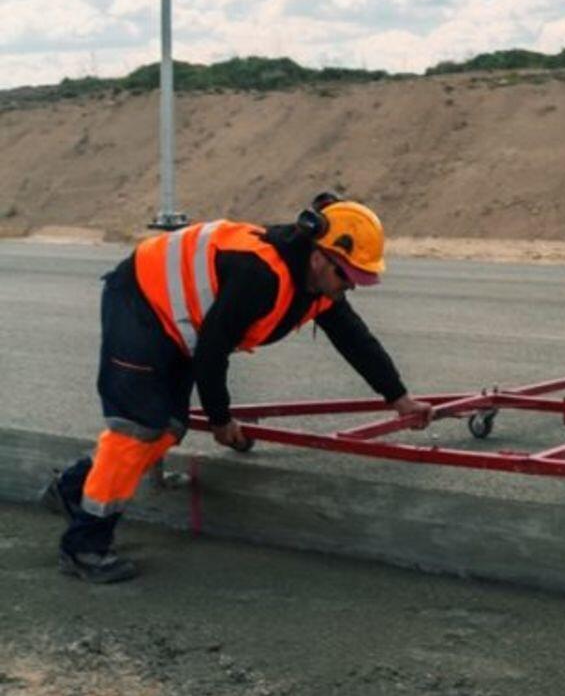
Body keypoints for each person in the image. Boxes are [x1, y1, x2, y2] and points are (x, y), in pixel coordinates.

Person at [44, 195, 425, 584]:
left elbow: (355, 340)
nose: (351, 286)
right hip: (139, 305)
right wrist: (221, 420)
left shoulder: (318, 289)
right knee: (138, 430)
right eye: (347, 276)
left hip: (177, 324)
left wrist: (398, 398)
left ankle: (71, 488)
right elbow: (212, 350)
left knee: (169, 427)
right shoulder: (261, 274)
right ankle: (84, 548)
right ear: (318, 258)